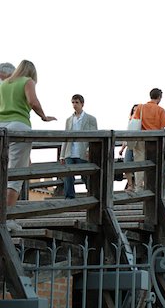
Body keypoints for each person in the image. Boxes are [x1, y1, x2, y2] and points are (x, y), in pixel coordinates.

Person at [0, 60, 57, 231]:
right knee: (15, 175)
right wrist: (43, 116)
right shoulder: (27, 81)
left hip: (1, 126)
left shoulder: (4, 84)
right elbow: (33, 101)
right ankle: (8, 219)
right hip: (19, 126)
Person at [59, 94, 98, 199]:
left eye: (76, 102)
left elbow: (94, 136)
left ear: (82, 104)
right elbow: (65, 137)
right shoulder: (69, 120)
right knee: (68, 175)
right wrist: (62, 155)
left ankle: (93, 194)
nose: (74, 105)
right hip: (69, 152)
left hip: (82, 151)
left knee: (85, 175)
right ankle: (69, 198)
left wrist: (90, 149)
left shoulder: (91, 119)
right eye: (73, 102)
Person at [130, 88, 165, 192]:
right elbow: (162, 127)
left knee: (139, 163)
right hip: (155, 140)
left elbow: (134, 121)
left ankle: (138, 187)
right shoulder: (160, 110)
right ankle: (153, 187)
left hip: (141, 138)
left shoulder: (140, 107)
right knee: (154, 164)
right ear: (159, 97)